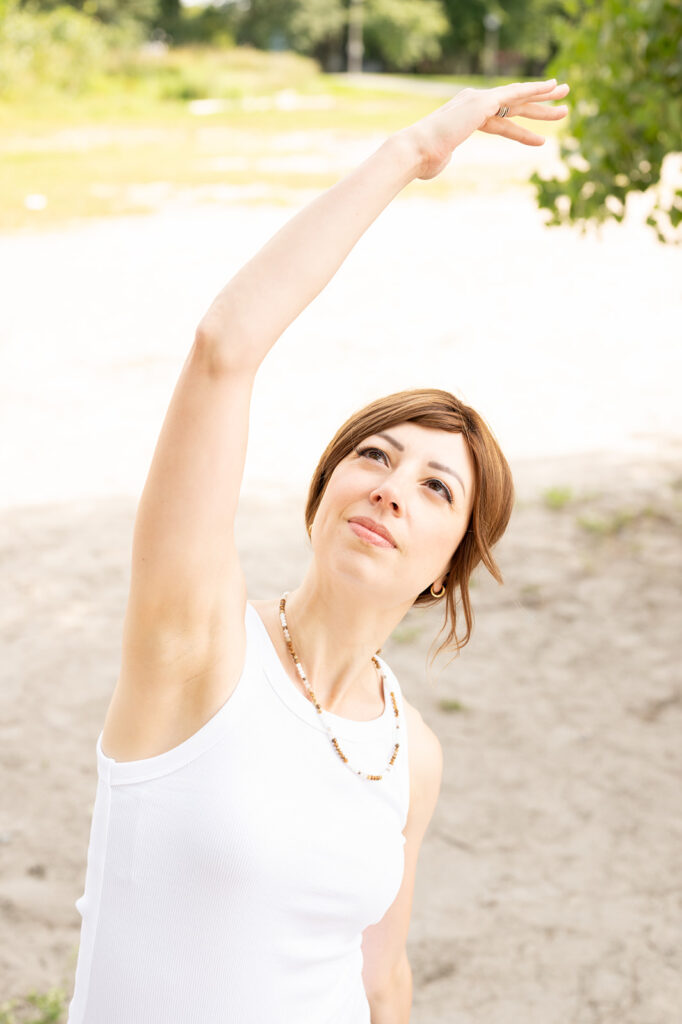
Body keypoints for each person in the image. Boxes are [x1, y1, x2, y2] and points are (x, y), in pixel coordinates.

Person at [67, 77, 570, 1024]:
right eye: (374, 455)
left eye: (436, 487)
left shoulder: (410, 754)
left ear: (449, 561)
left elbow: (382, 979)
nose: (391, 485)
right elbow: (224, 345)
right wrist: (412, 153)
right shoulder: (198, 645)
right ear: (326, 487)